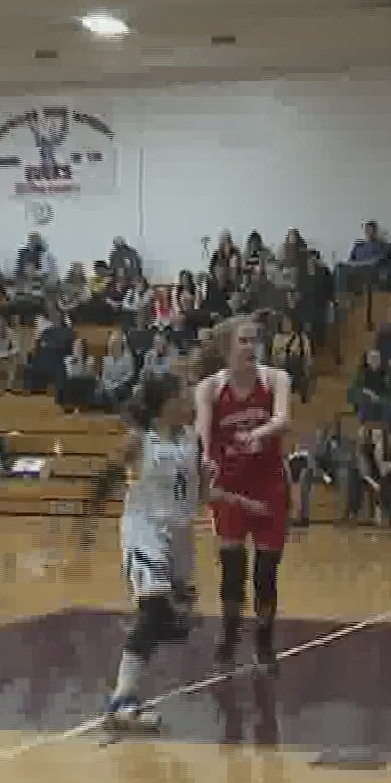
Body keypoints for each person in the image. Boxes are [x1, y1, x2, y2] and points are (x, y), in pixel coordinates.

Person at [99, 373, 200, 733]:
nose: (189, 400)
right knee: (154, 610)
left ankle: (129, 678)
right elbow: (108, 474)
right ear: (165, 405)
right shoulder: (140, 440)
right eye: (183, 395)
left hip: (180, 535)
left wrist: (239, 499)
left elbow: (194, 489)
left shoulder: (191, 438)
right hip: (144, 530)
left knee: (170, 622)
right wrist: (89, 515)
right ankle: (121, 701)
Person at [194, 314, 293, 674]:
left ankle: (265, 642)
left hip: (269, 484)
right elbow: (204, 434)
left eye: (256, 340)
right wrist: (204, 461)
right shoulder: (208, 388)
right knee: (232, 570)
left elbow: (283, 419)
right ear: (226, 349)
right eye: (245, 341)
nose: (253, 347)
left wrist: (259, 434)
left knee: (266, 571)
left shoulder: (276, 378)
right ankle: (229, 636)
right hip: (231, 485)